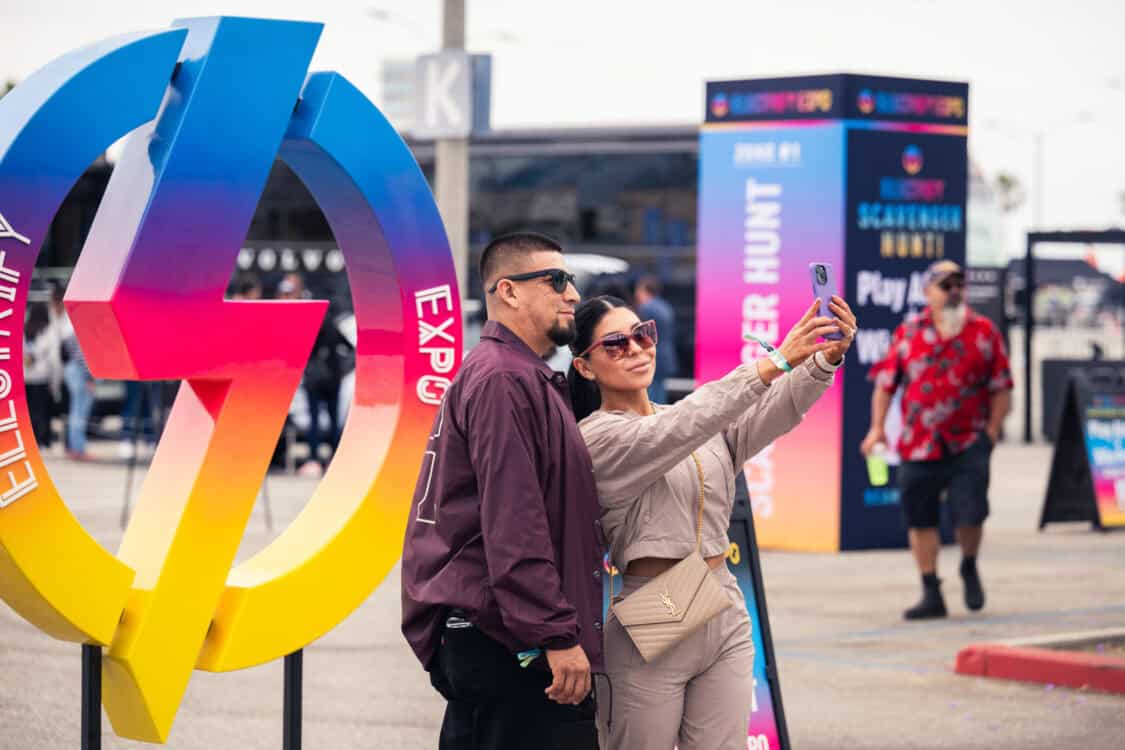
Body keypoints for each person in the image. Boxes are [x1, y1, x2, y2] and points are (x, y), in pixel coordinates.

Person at [569, 294, 855, 749]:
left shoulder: (683, 420)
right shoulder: (597, 435)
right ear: (585, 366)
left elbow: (770, 414)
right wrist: (776, 361)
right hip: (656, 604)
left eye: (642, 335)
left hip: (720, 593)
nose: (638, 349)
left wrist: (821, 361)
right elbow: (682, 427)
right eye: (616, 344)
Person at [401, 231, 602, 750]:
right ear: (508, 291)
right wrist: (555, 634)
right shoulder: (503, 379)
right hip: (510, 640)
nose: (572, 294)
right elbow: (516, 522)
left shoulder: (518, 375)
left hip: (495, 631)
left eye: (571, 280)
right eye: (556, 280)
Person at [862, 260, 1013, 620]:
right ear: (927, 292)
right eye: (945, 285)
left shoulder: (984, 332)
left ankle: (969, 563)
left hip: (968, 441)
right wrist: (877, 428)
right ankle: (931, 591)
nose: (954, 290)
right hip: (918, 442)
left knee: (970, 513)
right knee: (920, 518)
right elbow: (885, 386)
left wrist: (991, 430)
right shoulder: (908, 332)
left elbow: (1002, 386)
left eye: (959, 284)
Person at [633, 275, 678, 403]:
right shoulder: (666, 307)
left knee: (649, 392)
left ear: (644, 290)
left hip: (652, 355)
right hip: (666, 355)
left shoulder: (646, 308)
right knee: (659, 392)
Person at [23, 302, 61, 449]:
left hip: (24, 376)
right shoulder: (49, 331)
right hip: (42, 376)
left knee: (27, 411)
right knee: (41, 411)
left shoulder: (23, 329)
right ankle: (40, 441)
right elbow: (54, 360)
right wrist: (55, 382)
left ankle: (27, 440)